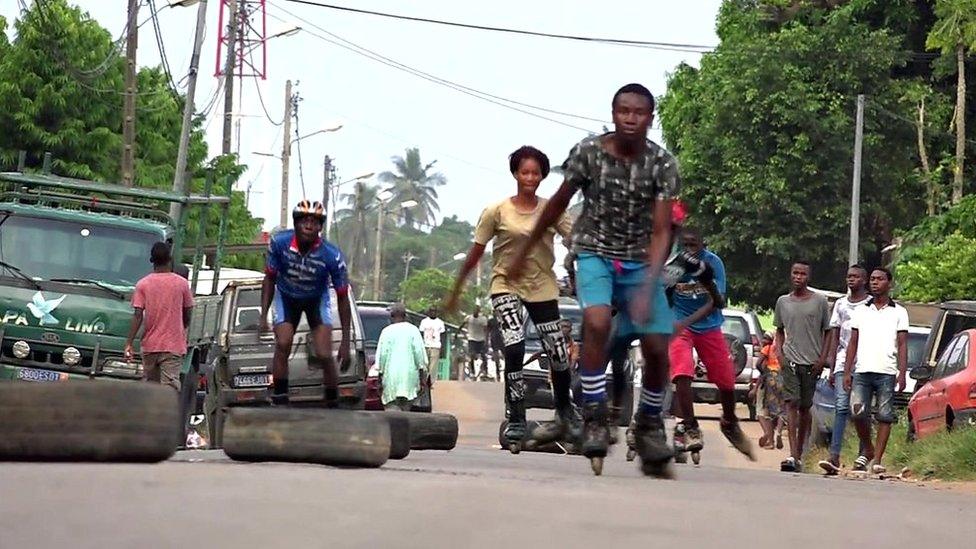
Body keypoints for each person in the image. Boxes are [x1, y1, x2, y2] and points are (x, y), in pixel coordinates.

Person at [507, 83, 679, 475]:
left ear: (651, 119)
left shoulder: (662, 165)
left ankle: (650, 423)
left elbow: (660, 231)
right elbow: (559, 203)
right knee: (598, 322)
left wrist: (650, 284)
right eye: (623, 112)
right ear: (613, 113)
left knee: (656, 345)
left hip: (641, 260)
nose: (630, 119)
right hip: (595, 252)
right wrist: (526, 247)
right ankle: (595, 417)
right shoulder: (589, 153)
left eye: (639, 113)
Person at [447, 145, 575, 451]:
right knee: (514, 344)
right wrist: (457, 289)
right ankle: (516, 416)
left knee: (557, 352)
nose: (530, 178)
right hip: (506, 284)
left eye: (535, 173)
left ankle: (564, 411)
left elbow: (576, 240)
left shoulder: (552, 209)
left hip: (542, 285)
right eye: (524, 172)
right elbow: (476, 252)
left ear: (543, 176)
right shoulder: (497, 211)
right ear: (515, 174)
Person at [668, 227, 754, 459]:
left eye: (693, 245)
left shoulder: (713, 263)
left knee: (726, 381)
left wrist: (687, 320)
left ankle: (729, 421)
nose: (689, 250)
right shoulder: (674, 265)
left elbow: (717, 302)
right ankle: (690, 425)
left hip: (708, 325)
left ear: (703, 244)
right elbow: (663, 294)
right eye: (685, 245)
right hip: (680, 326)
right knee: (682, 372)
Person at [259, 200, 351, 406]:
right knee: (283, 343)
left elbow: (343, 297)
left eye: (315, 222)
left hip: (316, 299)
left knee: (324, 353)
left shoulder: (332, 255)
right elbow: (269, 278)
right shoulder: (279, 242)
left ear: (320, 227)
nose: (309, 226)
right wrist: (263, 314)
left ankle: (331, 398)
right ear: (296, 223)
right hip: (286, 297)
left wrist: (345, 341)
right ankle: (280, 395)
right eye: (304, 221)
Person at [843, 268, 908, 475]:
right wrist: (846, 371)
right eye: (872, 279)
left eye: (880, 279)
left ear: (889, 283)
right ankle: (868, 447)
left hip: (886, 370)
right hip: (862, 369)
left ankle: (877, 459)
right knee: (856, 412)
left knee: (885, 415)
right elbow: (852, 342)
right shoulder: (861, 310)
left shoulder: (899, 311)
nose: (875, 283)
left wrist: (902, 371)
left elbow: (903, 343)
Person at [773, 261, 830, 473]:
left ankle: (801, 451)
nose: (798, 277)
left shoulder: (819, 302)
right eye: (795, 273)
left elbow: (828, 331)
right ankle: (792, 454)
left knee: (805, 407)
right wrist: (780, 353)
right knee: (792, 403)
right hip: (790, 360)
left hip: (812, 362)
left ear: (809, 276)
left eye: (803, 274)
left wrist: (822, 358)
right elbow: (778, 329)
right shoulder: (783, 302)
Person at [818, 265, 870, 475]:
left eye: (856, 277)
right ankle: (834, 455)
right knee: (840, 407)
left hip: (865, 362)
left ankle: (863, 454)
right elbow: (834, 335)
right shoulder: (840, 304)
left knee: (859, 409)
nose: (852, 280)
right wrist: (831, 366)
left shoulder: (870, 305)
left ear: (864, 280)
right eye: (849, 276)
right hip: (841, 363)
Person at [124, 242, 194, 392]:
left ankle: (151, 415)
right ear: (170, 260)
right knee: (169, 389)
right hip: (173, 346)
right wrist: (182, 327)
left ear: (152, 262)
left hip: (150, 346)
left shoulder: (143, 284)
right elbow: (188, 311)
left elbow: (137, 315)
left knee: (151, 389)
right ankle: (166, 415)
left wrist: (129, 343)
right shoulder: (182, 284)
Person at [376, 303, 429, 411]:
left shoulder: (386, 332)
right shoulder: (413, 330)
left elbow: (382, 357)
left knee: (391, 413)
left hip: (391, 379)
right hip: (409, 379)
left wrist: (380, 378)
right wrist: (422, 378)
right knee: (406, 412)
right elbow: (419, 356)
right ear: (405, 316)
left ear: (391, 316)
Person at [753, 332, 786, 450]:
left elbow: (757, 364)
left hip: (770, 379)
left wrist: (764, 372)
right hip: (782, 379)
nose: (763, 340)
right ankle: (779, 432)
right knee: (782, 409)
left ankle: (770, 439)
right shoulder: (784, 350)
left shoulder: (767, 349)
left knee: (767, 411)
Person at [460, 306, 489, 380]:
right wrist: (457, 334)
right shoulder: (469, 318)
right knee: (472, 355)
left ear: (479, 312)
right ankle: (472, 372)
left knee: (483, 355)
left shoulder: (483, 319)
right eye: (474, 311)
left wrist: (486, 340)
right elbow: (462, 325)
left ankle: (485, 371)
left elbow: (486, 330)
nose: (475, 312)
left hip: (481, 339)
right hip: (472, 339)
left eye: (477, 311)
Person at [419, 306, 446, 384]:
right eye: (431, 311)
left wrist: (442, 348)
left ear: (437, 312)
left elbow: (443, 335)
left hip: (435, 346)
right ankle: (423, 381)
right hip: (425, 346)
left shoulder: (440, 323)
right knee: (425, 365)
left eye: (434, 311)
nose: (433, 313)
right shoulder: (424, 322)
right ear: (429, 312)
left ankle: (430, 382)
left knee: (433, 366)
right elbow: (421, 333)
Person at [487, 316, 504, 381]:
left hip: (499, 338)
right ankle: (498, 371)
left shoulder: (501, 319)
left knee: (501, 354)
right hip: (496, 338)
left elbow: (487, 331)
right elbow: (487, 331)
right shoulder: (492, 320)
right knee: (497, 354)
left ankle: (498, 371)